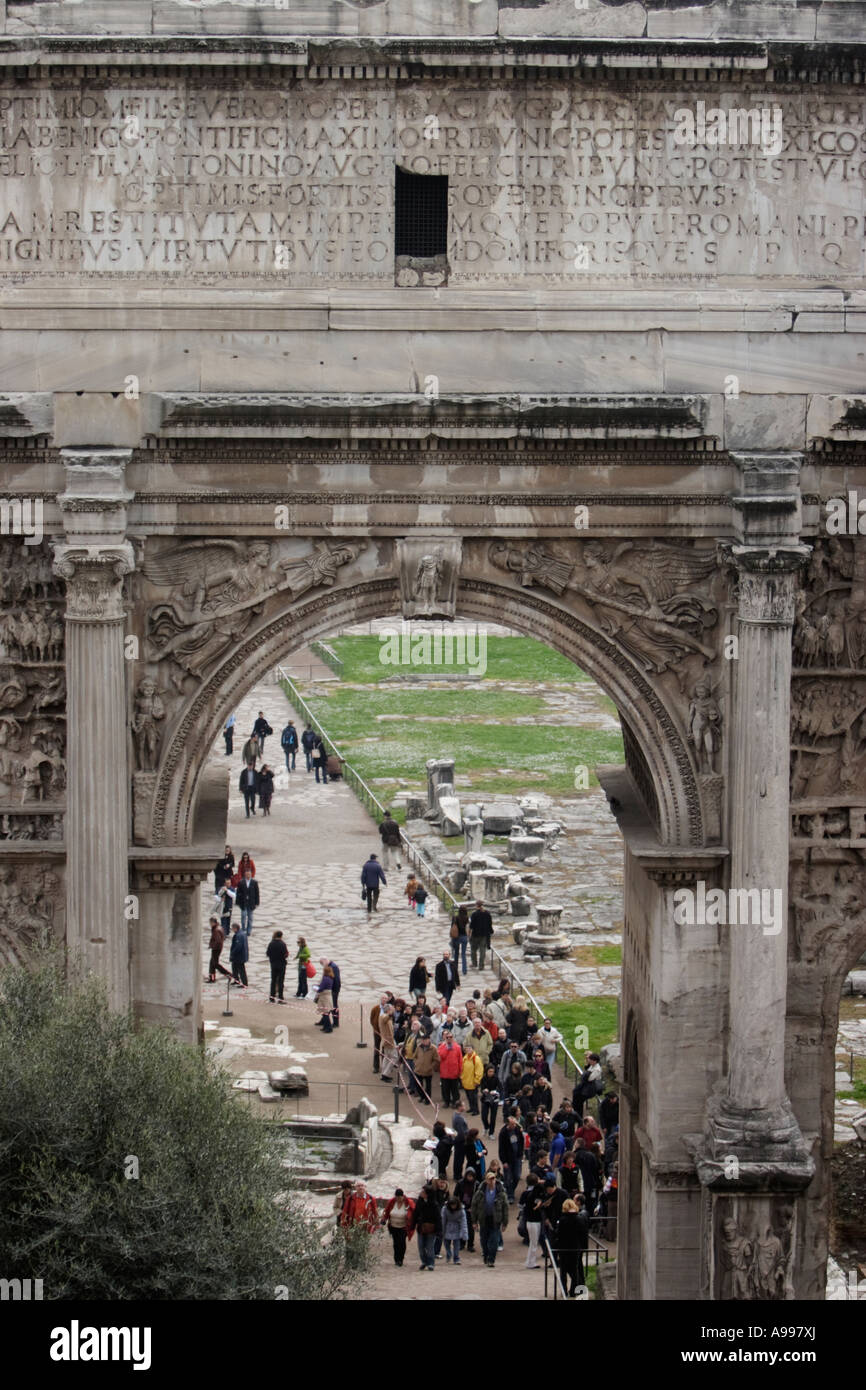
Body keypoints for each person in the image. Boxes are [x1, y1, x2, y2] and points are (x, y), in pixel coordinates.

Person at [471, 1172, 509, 1267]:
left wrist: (505, 1223)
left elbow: (505, 1207)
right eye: (490, 1179)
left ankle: (491, 1259)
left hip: (495, 1219)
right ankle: (486, 1254)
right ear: (486, 1180)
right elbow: (474, 1206)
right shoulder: (480, 1192)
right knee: (484, 1240)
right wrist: (474, 1221)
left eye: (493, 1179)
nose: (492, 1181)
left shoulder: (501, 1193)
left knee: (494, 1241)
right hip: (484, 1219)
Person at [382, 1189, 415, 1267]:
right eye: (397, 1197)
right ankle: (396, 1260)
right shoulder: (392, 1202)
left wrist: (414, 1222)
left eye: (400, 1197)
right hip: (393, 1226)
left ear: (403, 1196)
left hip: (403, 1227)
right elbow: (387, 1212)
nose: (398, 1199)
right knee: (396, 1243)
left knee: (402, 1243)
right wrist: (384, 1219)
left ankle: (401, 1259)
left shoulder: (408, 1202)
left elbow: (414, 1212)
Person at [414, 1183, 442, 1272]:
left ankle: (431, 1263)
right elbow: (415, 1214)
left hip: (431, 1228)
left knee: (430, 1247)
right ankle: (424, 1261)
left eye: (423, 1191)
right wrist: (412, 1224)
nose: (421, 1193)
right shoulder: (419, 1202)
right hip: (421, 1228)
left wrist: (439, 1230)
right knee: (421, 1246)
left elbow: (438, 1218)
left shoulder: (434, 1204)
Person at [521, 1172, 545, 1269]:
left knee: (533, 1242)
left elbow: (521, 1205)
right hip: (534, 1221)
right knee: (534, 1242)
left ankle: (530, 1261)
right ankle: (531, 1262)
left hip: (529, 1220)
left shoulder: (526, 1193)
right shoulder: (534, 1193)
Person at [497, 1114, 524, 1202]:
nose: (515, 1126)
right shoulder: (503, 1133)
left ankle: (510, 1190)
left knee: (516, 1176)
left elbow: (521, 1141)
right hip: (508, 1159)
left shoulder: (517, 1130)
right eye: (513, 1124)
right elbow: (501, 1149)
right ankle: (510, 1195)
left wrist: (521, 1153)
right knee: (508, 1177)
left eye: (515, 1124)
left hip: (517, 1158)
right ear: (508, 1124)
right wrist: (504, 1161)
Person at [437, 1028, 463, 1108]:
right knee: (445, 1089)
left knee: (455, 1089)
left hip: (454, 1072)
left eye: (450, 1037)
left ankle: (456, 1102)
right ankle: (446, 1102)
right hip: (444, 1072)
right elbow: (441, 1057)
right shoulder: (441, 1046)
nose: (449, 1038)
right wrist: (447, 1048)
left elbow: (460, 1059)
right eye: (447, 1037)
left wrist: (460, 1070)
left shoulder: (457, 1047)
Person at [454, 1168, 478, 1253]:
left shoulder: (476, 1184)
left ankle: (470, 1245)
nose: (470, 1178)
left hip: (471, 1209)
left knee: (471, 1228)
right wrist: (458, 1205)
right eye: (468, 1176)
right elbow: (455, 1195)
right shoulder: (460, 1183)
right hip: (462, 1208)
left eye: (471, 1176)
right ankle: (462, 1243)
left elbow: (478, 1197)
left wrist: (474, 1207)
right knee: (462, 1226)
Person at [412, 1032, 438, 1104]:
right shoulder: (418, 1047)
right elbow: (414, 1056)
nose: (424, 1041)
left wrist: (431, 1067)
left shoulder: (433, 1048)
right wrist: (416, 1063)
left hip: (428, 1071)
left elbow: (437, 1060)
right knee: (418, 1085)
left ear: (429, 1039)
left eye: (426, 1040)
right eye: (423, 1040)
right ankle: (422, 1096)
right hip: (418, 1070)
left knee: (428, 1086)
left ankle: (427, 1099)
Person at [205, 916, 233, 982]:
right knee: (212, 963)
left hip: (216, 949)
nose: (210, 924)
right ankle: (212, 978)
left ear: (213, 922)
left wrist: (212, 946)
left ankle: (228, 974)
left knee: (215, 964)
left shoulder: (216, 930)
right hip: (218, 948)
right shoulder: (218, 927)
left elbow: (218, 940)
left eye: (210, 923)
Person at [468, 899, 493, 970]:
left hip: (475, 934)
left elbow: (471, 925)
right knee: (482, 951)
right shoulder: (487, 913)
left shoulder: (474, 914)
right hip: (484, 935)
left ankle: (474, 963)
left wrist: (469, 934)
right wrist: (490, 932)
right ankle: (481, 965)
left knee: (473, 949)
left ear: (476, 905)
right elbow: (490, 924)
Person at [443, 1196, 468, 1264]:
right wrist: (441, 1231)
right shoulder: (445, 1209)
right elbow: (443, 1220)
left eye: (454, 1205)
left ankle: (456, 1258)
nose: (453, 1206)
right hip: (447, 1227)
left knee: (457, 1245)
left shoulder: (461, 1210)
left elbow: (464, 1222)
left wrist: (464, 1234)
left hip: (457, 1228)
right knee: (446, 1244)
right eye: (451, 1205)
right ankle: (449, 1254)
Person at [480, 1064, 503, 1137]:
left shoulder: (496, 1078)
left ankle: (491, 1133)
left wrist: (496, 1091)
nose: (491, 1073)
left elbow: (501, 1088)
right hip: (486, 1098)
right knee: (484, 1116)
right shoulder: (483, 1078)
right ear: (486, 1071)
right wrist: (484, 1090)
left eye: (492, 1072)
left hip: (494, 1099)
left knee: (493, 1118)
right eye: (490, 1071)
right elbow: (481, 1088)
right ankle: (486, 1127)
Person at [266, 929, 288, 1003]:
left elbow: (268, 953)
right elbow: (286, 954)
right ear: (281, 936)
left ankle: (272, 997)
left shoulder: (271, 943)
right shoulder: (282, 944)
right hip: (281, 964)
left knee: (273, 981)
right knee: (281, 981)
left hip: (273, 964)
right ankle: (280, 998)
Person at [461, 1044, 483, 1116]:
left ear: (473, 1049)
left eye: (469, 1049)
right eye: (466, 1049)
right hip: (466, 1082)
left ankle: (476, 1110)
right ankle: (471, 1108)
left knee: (474, 1097)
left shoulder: (476, 1059)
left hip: (473, 1082)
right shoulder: (465, 1058)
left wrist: (477, 1081)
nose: (468, 1050)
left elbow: (479, 1071)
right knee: (469, 1097)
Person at [236, 869, 259, 934]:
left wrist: (257, 902)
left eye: (249, 874)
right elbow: (238, 892)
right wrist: (237, 902)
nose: (248, 875)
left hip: (251, 902)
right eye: (247, 874)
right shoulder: (241, 882)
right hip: (243, 902)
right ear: (245, 874)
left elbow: (257, 893)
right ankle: (243, 929)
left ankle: (249, 931)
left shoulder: (254, 882)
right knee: (243, 916)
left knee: (250, 917)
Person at [321, 956, 341, 1028]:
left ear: (325, 961)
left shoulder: (333, 967)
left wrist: (331, 989)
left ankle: (336, 1022)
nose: (322, 965)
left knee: (333, 1005)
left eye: (322, 963)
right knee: (327, 1005)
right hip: (331, 989)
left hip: (333, 990)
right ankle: (324, 1020)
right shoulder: (330, 966)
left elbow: (335, 980)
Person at [450, 903, 470, 975]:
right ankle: (464, 970)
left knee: (456, 953)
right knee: (463, 954)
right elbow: (467, 927)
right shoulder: (466, 918)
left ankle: (455, 969)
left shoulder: (455, 917)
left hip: (457, 937)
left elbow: (452, 927)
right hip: (464, 936)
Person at [451, 1100, 469, 1180]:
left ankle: (457, 1175)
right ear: (459, 1107)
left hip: (457, 1140)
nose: (464, 1107)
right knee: (459, 1159)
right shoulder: (459, 1118)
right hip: (460, 1141)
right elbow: (461, 1132)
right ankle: (457, 1176)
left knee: (458, 1158)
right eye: (463, 1106)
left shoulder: (456, 1115)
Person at [315, 964, 335, 1033]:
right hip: (328, 997)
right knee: (326, 1012)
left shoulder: (325, 978)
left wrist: (316, 989)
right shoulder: (330, 978)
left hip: (324, 997)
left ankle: (328, 1027)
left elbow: (321, 988)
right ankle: (325, 1026)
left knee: (325, 1013)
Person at [229, 923, 248, 988]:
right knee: (234, 968)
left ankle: (244, 983)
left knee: (241, 970)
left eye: (232, 928)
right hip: (240, 956)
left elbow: (238, 947)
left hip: (239, 956)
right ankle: (236, 980)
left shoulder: (239, 936)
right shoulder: (241, 933)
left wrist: (233, 953)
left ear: (235, 928)